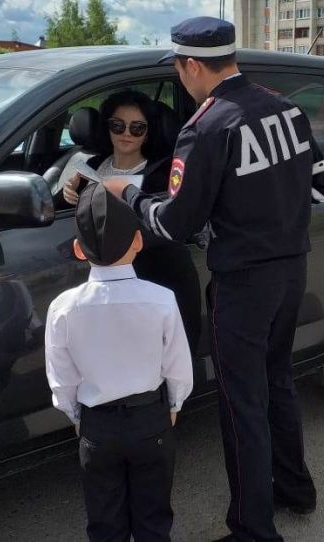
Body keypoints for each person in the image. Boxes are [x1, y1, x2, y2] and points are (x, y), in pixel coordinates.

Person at [104, 16, 324, 542]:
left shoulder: (206, 127)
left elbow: (174, 224)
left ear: (189, 66)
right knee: (278, 383)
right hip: (291, 269)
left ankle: (254, 529)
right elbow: (320, 189)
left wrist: (127, 193)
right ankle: (297, 490)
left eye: (179, 69)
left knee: (242, 403)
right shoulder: (286, 107)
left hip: (244, 285)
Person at [45, 182, 193, 541]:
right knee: (153, 519)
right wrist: (173, 405)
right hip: (150, 421)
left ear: (80, 250)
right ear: (139, 242)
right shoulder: (161, 300)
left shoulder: (63, 308)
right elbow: (178, 366)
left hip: (98, 428)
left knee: (104, 523)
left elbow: (61, 380)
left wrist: (76, 416)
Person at [64, 90, 202, 355]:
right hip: (99, 285)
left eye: (137, 128)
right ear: (106, 127)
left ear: (148, 133)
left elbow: (168, 223)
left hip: (153, 281)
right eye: (118, 125)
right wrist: (70, 196)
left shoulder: (164, 175)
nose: (126, 133)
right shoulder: (86, 165)